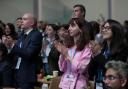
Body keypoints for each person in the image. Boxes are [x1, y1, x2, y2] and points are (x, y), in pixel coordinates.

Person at [4, 13, 42, 89]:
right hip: (15, 72)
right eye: (21, 19)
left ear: (32, 23)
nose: (21, 21)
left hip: (26, 74)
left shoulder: (36, 35)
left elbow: (29, 54)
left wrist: (12, 45)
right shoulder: (21, 34)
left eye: (24, 19)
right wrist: (8, 47)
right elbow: (16, 51)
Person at [88, 19, 128, 89]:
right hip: (98, 85)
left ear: (116, 30)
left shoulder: (122, 50)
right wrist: (93, 55)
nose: (104, 30)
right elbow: (91, 71)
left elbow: (113, 69)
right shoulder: (102, 49)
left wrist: (98, 54)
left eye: (108, 28)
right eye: (103, 28)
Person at [55, 18, 92, 89]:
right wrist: (62, 55)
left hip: (79, 84)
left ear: (81, 29)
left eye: (73, 26)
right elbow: (62, 68)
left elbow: (82, 69)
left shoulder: (87, 48)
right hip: (65, 84)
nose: (69, 29)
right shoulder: (69, 47)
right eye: (69, 26)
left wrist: (67, 56)